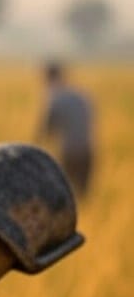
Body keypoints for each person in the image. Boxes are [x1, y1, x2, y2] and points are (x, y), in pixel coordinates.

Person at [37, 59, 95, 196]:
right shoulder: (81, 95)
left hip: (69, 152)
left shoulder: (55, 98)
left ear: (48, 77)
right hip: (88, 150)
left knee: (67, 196)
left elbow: (46, 129)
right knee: (83, 195)